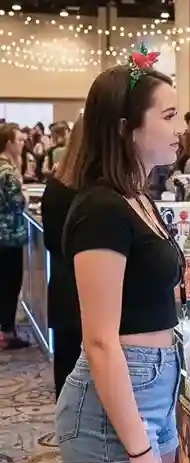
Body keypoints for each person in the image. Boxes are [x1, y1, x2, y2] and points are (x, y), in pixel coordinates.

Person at [53, 59, 184, 463]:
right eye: (168, 116)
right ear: (127, 129)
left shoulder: (138, 197)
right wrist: (139, 448)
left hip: (152, 387)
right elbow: (101, 339)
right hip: (118, 402)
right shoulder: (101, 208)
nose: (181, 128)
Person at [42, 115, 83, 398]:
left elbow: (50, 241)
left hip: (63, 286)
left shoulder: (56, 182)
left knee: (67, 374)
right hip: (83, 292)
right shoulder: (92, 190)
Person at [0, 123, 29, 350]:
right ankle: (7, 332)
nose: (22, 144)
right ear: (9, 143)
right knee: (10, 284)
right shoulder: (8, 172)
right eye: (19, 140)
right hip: (8, 236)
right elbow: (18, 202)